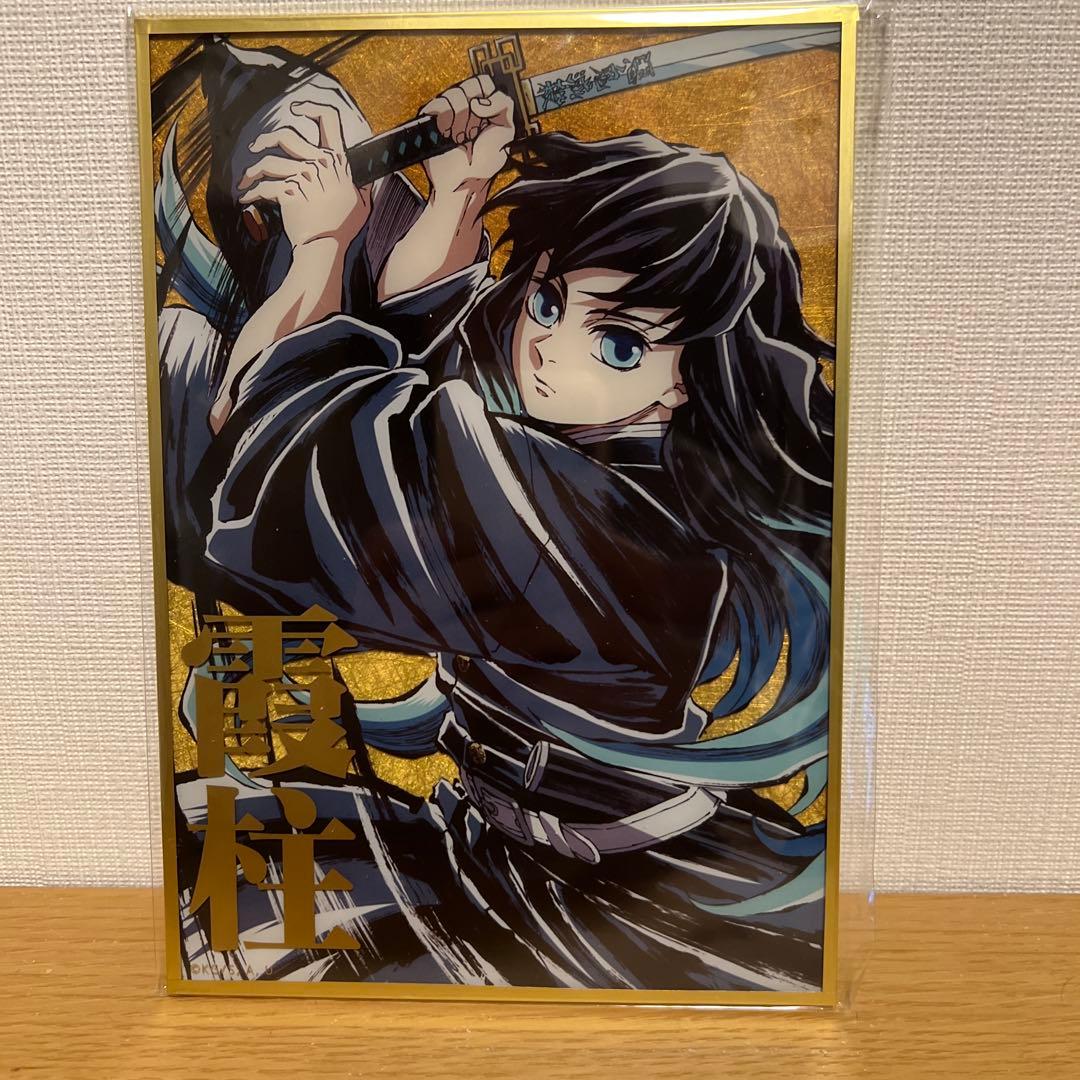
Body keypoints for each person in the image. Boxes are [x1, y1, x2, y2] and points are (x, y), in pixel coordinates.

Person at [161, 72, 835, 991]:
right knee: (214, 852)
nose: (545, 346)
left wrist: (320, 250)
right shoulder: (595, 452)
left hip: (608, 908)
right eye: (548, 302)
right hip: (506, 857)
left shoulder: (615, 527)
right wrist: (461, 192)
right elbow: (446, 373)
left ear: (690, 378)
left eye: (620, 342)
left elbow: (303, 474)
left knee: (232, 905)